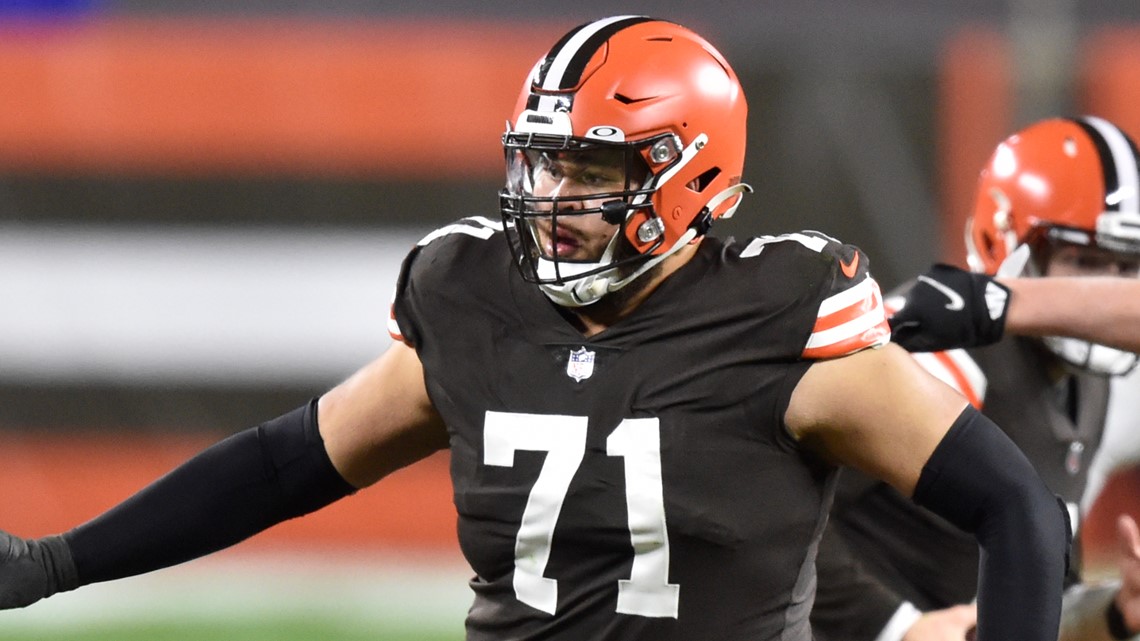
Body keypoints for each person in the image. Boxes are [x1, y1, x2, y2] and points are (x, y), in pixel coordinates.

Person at [0, 16, 1069, 641]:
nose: (550, 196)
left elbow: (1013, 502)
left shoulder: (782, 316)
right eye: (542, 163)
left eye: (589, 170)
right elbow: (285, 463)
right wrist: (53, 562)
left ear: (687, 179)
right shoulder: (473, 292)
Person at [811, 115, 1140, 641]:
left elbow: (1020, 607)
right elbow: (776, 512)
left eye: (1127, 269)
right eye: (1087, 260)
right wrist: (896, 626)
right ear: (1004, 244)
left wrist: (1115, 612)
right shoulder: (948, 354)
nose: (1107, 293)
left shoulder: (1091, 382)